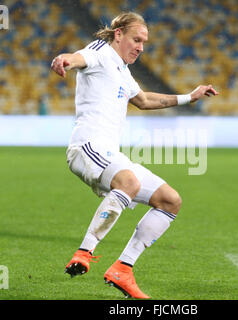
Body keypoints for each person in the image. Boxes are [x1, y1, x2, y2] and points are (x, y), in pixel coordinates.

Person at [51, 12, 219, 299]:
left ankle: (123, 268)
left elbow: (142, 100)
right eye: (136, 39)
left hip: (110, 153)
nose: (141, 47)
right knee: (128, 182)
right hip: (87, 147)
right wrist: (65, 59)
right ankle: (84, 251)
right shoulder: (100, 52)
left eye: (144, 42)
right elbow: (78, 57)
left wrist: (188, 97)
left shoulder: (122, 70)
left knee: (170, 201)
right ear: (118, 34)